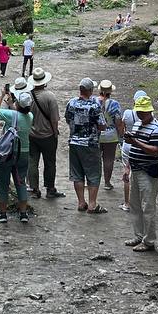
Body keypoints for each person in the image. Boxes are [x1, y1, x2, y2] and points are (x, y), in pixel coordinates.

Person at [123, 95, 158, 252]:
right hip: (135, 168)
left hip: (148, 171)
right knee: (135, 204)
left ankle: (149, 240)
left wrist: (135, 142)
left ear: (149, 111)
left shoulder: (157, 129)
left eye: (143, 112)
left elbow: (155, 151)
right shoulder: (136, 125)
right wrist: (127, 166)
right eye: (139, 112)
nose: (140, 115)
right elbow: (133, 148)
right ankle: (139, 235)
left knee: (147, 206)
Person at [64, 78, 107, 214]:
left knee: (77, 173)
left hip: (74, 142)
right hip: (90, 143)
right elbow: (102, 125)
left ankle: (81, 202)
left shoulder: (71, 103)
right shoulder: (94, 106)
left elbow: (67, 119)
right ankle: (92, 204)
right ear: (90, 91)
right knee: (93, 173)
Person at [0, 89, 34, 223]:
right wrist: (12, 104)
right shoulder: (30, 117)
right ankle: (23, 214)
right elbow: (18, 115)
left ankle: (3, 214)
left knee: (3, 183)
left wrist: (2, 94)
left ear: (18, 104)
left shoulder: (10, 115)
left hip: (7, 153)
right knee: (21, 182)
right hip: (23, 153)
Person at [27, 67, 63, 200]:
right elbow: (54, 119)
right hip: (47, 135)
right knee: (50, 163)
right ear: (44, 81)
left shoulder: (28, 95)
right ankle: (50, 189)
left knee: (32, 162)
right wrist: (55, 132)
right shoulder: (50, 97)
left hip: (31, 134)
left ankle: (34, 189)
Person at [119, 89, 150, 213]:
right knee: (141, 175)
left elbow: (122, 129)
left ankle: (127, 203)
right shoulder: (148, 118)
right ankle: (140, 204)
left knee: (127, 174)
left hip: (128, 145)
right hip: (141, 146)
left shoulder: (127, 113)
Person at [97, 80, 124, 190]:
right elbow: (118, 122)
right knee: (108, 160)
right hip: (111, 136)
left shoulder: (93, 101)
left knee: (94, 158)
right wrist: (121, 135)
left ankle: (93, 180)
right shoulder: (115, 104)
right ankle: (107, 182)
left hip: (97, 134)